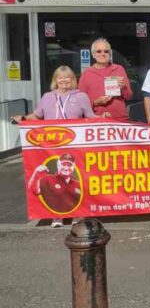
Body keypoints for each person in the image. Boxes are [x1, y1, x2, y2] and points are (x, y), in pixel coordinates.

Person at [13, 66, 96, 228]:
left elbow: (90, 116)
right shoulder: (47, 97)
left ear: (73, 79)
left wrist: (104, 119)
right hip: (51, 145)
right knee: (54, 182)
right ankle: (56, 216)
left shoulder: (81, 96)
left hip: (75, 145)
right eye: (60, 77)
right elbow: (37, 116)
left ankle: (78, 213)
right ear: (55, 80)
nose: (64, 80)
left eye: (68, 77)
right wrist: (23, 118)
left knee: (76, 180)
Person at [79, 38, 133, 120]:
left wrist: (123, 88)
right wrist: (96, 102)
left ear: (110, 54)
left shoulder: (119, 69)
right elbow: (80, 102)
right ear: (93, 54)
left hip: (119, 119)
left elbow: (129, 96)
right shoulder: (86, 74)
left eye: (106, 51)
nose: (103, 54)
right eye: (99, 51)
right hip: (96, 119)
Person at [27, 153, 81, 219]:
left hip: (75, 216)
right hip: (55, 217)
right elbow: (34, 191)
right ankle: (56, 219)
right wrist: (36, 174)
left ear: (73, 167)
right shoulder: (47, 179)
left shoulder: (78, 184)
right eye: (63, 164)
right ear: (58, 165)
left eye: (69, 165)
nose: (66, 168)